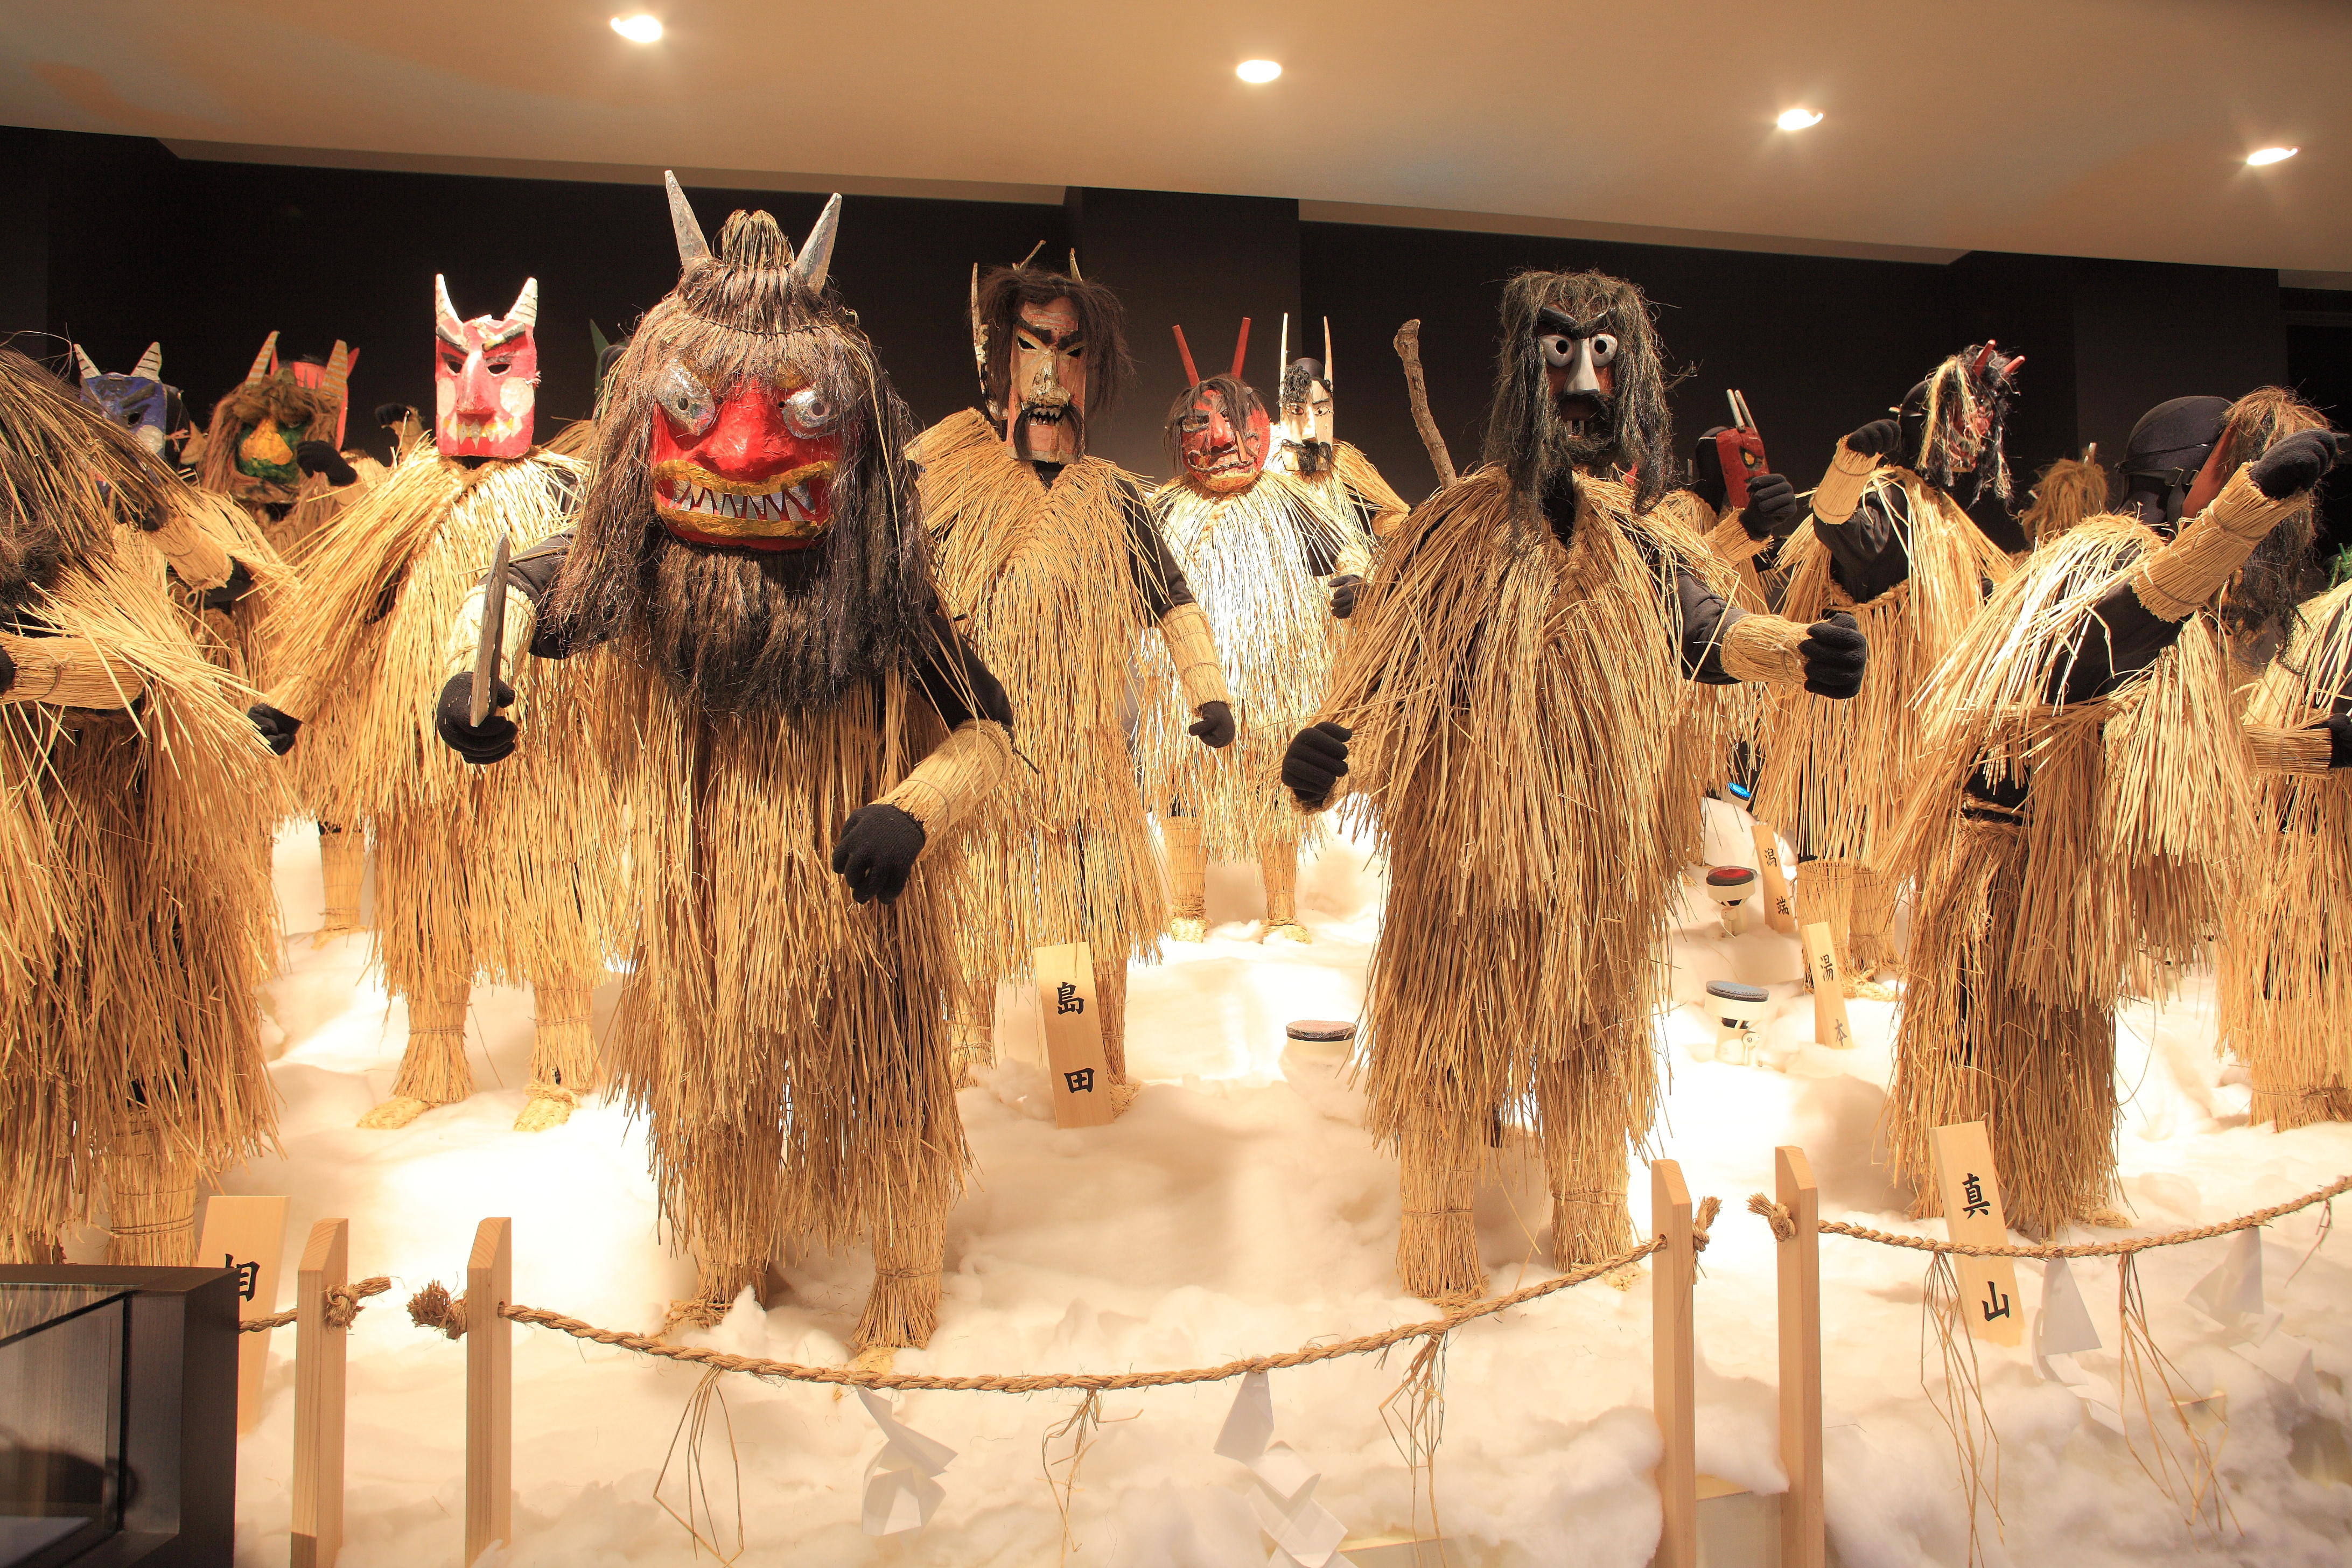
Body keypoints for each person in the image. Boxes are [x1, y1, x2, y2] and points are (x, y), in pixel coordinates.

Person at [436, 180, 1014, 1349]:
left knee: (889, 1088)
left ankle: (903, 1278)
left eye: (797, 414)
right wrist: (470, 678)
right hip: (703, 907)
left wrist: (913, 811)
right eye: (697, 408)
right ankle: (726, 1257)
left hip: (863, 916)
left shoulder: (890, 604)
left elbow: (993, 737)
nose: (744, 452)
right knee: (714, 1088)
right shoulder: (629, 568)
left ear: (852, 438)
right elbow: (507, 596)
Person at [1277, 269, 1867, 1299]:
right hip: (1464, 879)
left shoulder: (1642, 550)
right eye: (1561, 356)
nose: (1585, 384)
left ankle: (1596, 1247)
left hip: (1600, 881)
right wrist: (1332, 755)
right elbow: (1388, 694)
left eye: (1605, 358)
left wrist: (1797, 652)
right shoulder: (1450, 538)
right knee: (1451, 1054)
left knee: (1594, 1057)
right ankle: (1438, 1257)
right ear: (1523, 371)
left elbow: (1709, 637)